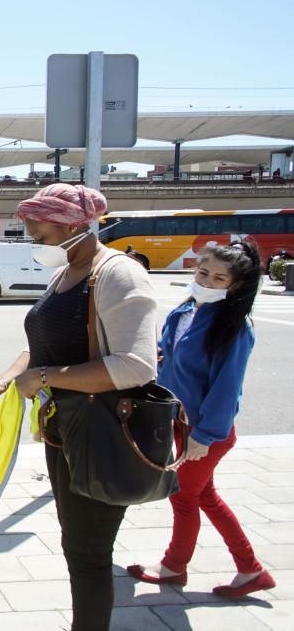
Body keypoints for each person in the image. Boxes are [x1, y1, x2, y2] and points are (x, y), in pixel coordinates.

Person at [0, 183, 157, 631]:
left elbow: (135, 366)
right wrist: (3, 381)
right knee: (78, 547)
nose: (34, 242)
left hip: (103, 433)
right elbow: (43, 347)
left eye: (39, 234)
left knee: (90, 556)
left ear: (74, 226)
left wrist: (46, 379)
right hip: (67, 431)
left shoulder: (117, 275)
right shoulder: (67, 271)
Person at [127, 241, 275, 598]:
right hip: (183, 424)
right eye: (202, 272)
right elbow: (170, 357)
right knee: (204, 496)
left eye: (218, 278)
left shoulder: (235, 327)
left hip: (206, 432)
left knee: (184, 497)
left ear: (235, 285)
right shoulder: (186, 311)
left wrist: (205, 435)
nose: (207, 282)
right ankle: (250, 570)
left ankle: (173, 567)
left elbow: (227, 387)